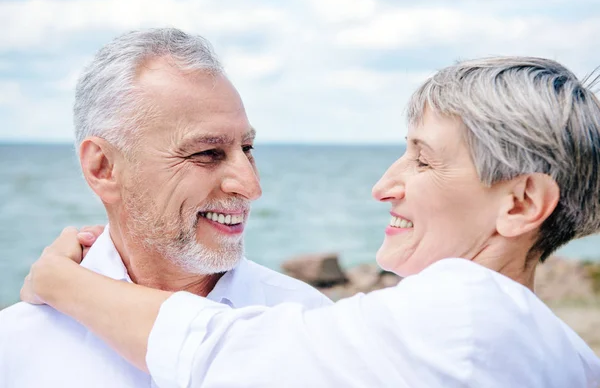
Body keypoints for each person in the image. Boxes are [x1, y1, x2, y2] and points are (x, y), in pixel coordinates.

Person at [20, 57, 600, 387]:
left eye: (423, 159)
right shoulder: (571, 358)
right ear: (102, 167)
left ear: (521, 203)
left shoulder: (466, 312)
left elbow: (214, 350)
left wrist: (59, 281)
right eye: (206, 153)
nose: (383, 186)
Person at [0, 28, 330, 388]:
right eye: (207, 153)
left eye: (247, 149)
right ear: (103, 168)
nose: (251, 187)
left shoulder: (315, 325)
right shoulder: (16, 349)